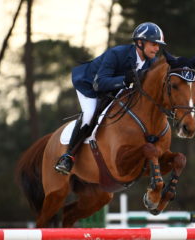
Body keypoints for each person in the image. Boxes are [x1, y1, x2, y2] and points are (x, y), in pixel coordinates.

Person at [54, 22, 167, 175]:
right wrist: (124, 80)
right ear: (140, 42)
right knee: (89, 115)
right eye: (154, 44)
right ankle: (68, 156)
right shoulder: (116, 54)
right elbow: (99, 83)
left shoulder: (151, 62)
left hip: (115, 89)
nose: (157, 49)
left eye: (158, 45)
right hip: (89, 85)